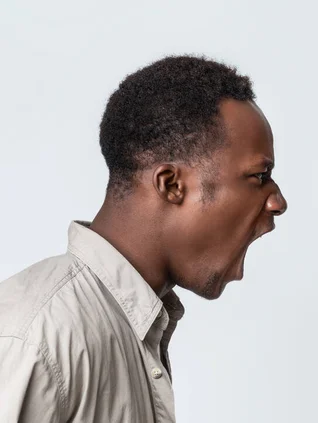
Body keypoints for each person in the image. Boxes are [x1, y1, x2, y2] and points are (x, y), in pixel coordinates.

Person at [0, 56, 287, 422]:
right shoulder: (35, 338)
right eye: (260, 175)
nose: (278, 202)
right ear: (171, 185)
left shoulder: (122, 324)